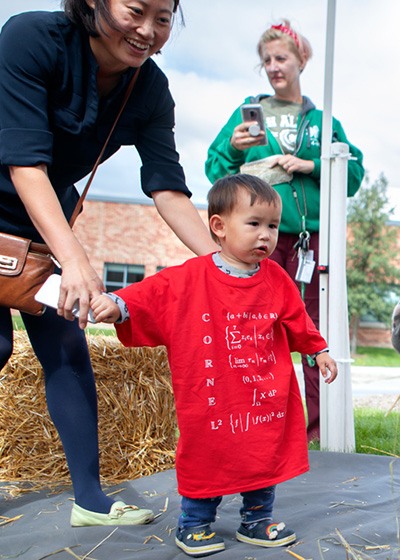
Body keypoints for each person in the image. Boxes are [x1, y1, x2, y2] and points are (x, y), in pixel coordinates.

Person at [0, 0, 219, 544]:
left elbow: (167, 188)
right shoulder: (31, 38)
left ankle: (91, 500)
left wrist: (224, 264)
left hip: (41, 221)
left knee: (67, 343)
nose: (148, 31)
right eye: (136, 10)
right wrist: (76, 257)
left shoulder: (148, 89)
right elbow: (25, 163)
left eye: (163, 18)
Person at [91, 174, 338, 557]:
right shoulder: (191, 277)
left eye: (272, 226)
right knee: (207, 455)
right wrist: (118, 305)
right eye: (254, 224)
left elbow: (296, 320)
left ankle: (256, 520)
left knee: (262, 453)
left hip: (262, 397)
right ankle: (195, 524)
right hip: (213, 398)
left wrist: (318, 350)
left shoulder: (276, 278)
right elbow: (150, 296)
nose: (266, 236)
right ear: (219, 227)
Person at [205, 19, 364, 442]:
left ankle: (314, 432)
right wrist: (233, 148)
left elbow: (353, 175)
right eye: (267, 61)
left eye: (281, 58)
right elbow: (215, 172)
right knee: (254, 327)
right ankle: (258, 421)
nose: (274, 67)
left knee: (311, 329)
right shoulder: (247, 115)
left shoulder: (323, 120)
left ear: (301, 60)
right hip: (257, 242)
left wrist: (311, 165)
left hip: (308, 241)